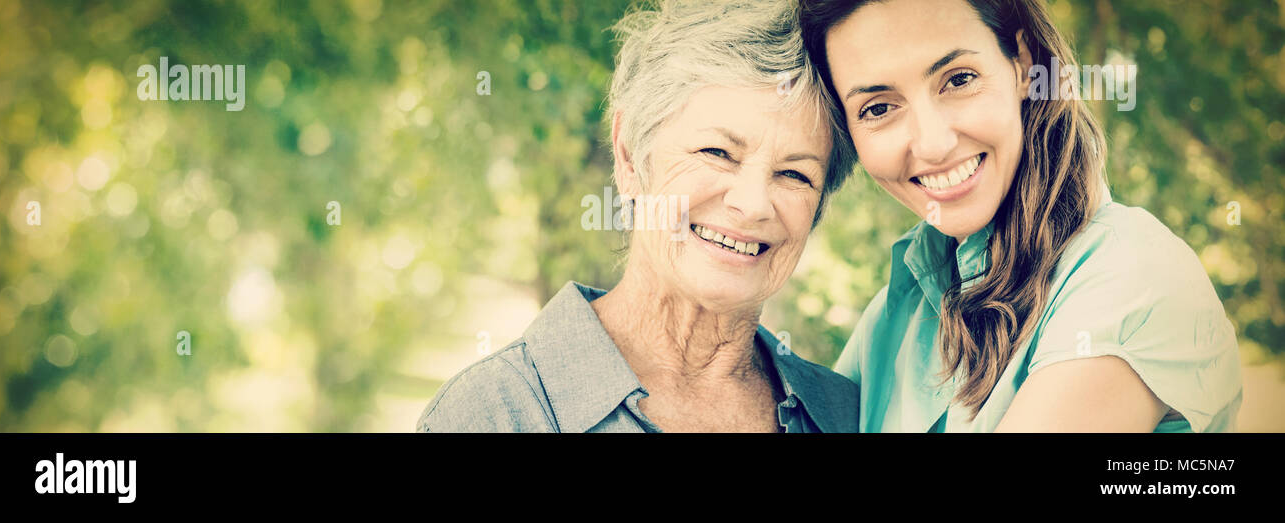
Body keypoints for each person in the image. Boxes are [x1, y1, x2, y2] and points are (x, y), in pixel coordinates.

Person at [799, 0, 1242, 432]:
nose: (932, 144)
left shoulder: (1133, 274)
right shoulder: (892, 317)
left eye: (958, 79)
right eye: (877, 108)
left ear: (1024, 65)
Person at [417, 0, 858, 432]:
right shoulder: (488, 412)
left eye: (795, 174)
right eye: (718, 152)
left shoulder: (849, 414)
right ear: (629, 157)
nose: (754, 204)